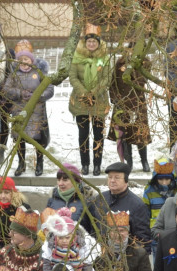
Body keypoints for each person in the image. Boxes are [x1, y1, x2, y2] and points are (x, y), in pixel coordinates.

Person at [2, 41, 54, 177]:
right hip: (19, 111)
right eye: (21, 59)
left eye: (26, 59)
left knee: (38, 140)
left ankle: (39, 163)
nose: (23, 62)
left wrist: (38, 96)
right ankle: (21, 163)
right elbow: (6, 90)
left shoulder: (39, 73)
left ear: (31, 60)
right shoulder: (14, 74)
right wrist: (20, 93)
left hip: (36, 112)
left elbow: (50, 88)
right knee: (20, 139)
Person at [69, 25, 113, 177]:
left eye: (95, 41)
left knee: (98, 134)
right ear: (85, 42)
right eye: (89, 41)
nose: (92, 44)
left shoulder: (105, 58)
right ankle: (85, 164)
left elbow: (107, 78)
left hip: (99, 100)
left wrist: (94, 92)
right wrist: (83, 92)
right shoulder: (77, 57)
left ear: (99, 43)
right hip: (80, 101)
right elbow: (73, 77)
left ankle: (97, 164)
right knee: (83, 135)